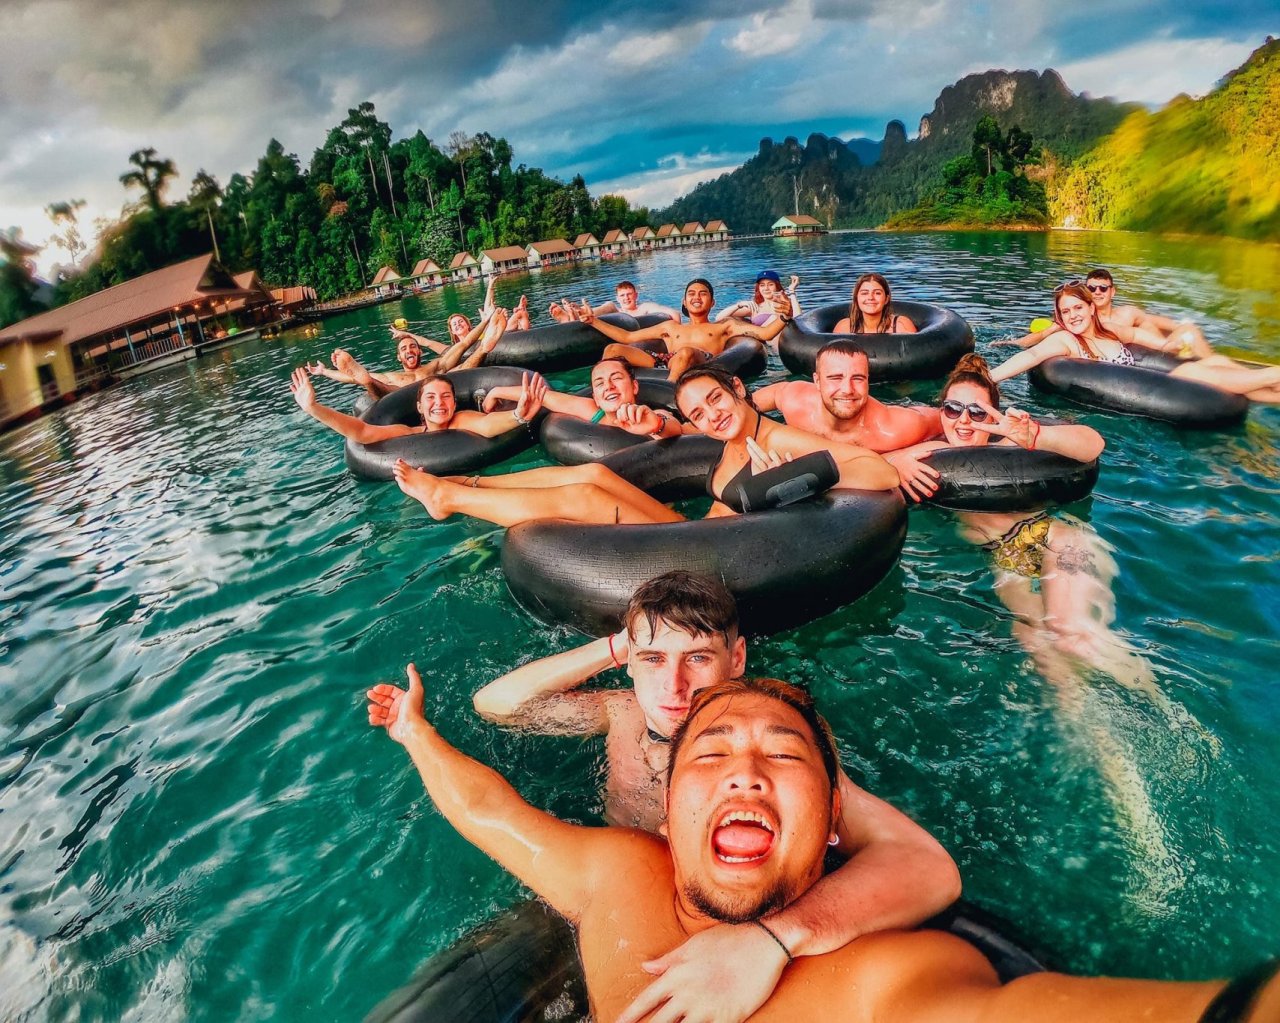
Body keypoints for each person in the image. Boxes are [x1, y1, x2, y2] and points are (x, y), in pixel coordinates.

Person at [366, 672, 1266, 1022]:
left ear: (835, 819)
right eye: (710, 754)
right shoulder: (616, 871)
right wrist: (414, 734)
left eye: (781, 757)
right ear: (669, 807)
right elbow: (497, 814)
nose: (745, 774)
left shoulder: (877, 979)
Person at [463, 571, 962, 1022]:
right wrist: (618, 648)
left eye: (697, 658)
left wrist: (774, 938)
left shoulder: (774, 741)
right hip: (621, 906)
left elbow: (926, 866)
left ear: (737, 658)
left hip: (750, 908)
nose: (674, 686)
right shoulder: (621, 712)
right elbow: (497, 707)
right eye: (654, 659)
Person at [390, 364, 899, 527]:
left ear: (738, 390)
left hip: (711, 555)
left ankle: (449, 500)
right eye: (699, 412)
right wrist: (660, 425)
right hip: (694, 533)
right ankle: (466, 482)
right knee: (593, 476)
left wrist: (788, 477)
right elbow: (670, 431)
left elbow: (879, 473)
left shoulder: (773, 436)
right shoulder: (724, 437)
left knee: (589, 498)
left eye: (716, 400)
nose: (712, 415)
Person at [991, 283, 1280, 402]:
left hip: (1155, 378)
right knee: (1193, 373)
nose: (1072, 315)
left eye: (1078, 308)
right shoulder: (1066, 340)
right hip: (1162, 386)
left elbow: (1151, 342)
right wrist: (990, 377)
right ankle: (1272, 374)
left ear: (1091, 308)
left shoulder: (1112, 332)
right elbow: (1031, 356)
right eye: (1065, 312)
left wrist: (1177, 342)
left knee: (1214, 362)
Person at [753, 339, 941, 486]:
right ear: (817, 381)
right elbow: (750, 404)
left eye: (858, 378)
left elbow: (947, 419)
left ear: (868, 381)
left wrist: (893, 459)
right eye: (835, 378)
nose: (847, 390)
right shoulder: (795, 402)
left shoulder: (893, 429)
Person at [580, 278, 793, 382]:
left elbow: (765, 334)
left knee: (686, 353)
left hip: (702, 360)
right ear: (684, 301)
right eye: (691, 293)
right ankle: (600, 390)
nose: (696, 297)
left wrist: (785, 316)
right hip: (666, 361)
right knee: (613, 350)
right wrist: (593, 321)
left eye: (703, 294)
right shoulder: (670, 328)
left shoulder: (724, 326)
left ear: (712, 302)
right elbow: (627, 336)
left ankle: (668, 396)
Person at [289, 362, 543, 446]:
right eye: (430, 398)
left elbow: (487, 425)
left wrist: (518, 415)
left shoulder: (462, 419)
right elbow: (363, 432)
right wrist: (314, 408)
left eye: (445, 397)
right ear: (420, 407)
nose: (439, 403)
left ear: (454, 404)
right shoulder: (408, 433)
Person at [999, 269, 1213, 357]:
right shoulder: (1080, 321)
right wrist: (1015, 343)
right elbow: (1043, 334)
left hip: (1156, 354)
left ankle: (1200, 361)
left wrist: (1183, 332)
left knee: (1179, 328)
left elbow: (1163, 323)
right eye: (1091, 288)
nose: (1097, 292)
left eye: (1103, 288)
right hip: (1120, 364)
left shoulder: (1128, 314)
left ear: (1113, 291)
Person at [307, 310, 503, 399]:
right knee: (372, 382)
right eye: (404, 349)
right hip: (403, 399)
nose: (409, 350)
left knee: (458, 370)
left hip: (438, 390)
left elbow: (465, 343)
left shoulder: (434, 365)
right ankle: (366, 380)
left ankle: (486, 346)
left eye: (412, 347)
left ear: (419, 351)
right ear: (399, 358)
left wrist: (485, 322)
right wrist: (325, 372)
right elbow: (350, 378)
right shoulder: (390, 376)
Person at [479, 358, 685, 439]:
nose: (609, 387)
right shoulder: (593, 411)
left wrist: (656, 425)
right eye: (600, 383)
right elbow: (545, 397)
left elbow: (672, 426)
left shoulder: (647, 414)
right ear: (595, 395)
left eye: (616, 378)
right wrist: (495, 391)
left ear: (634, 386)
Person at [832, 273, 917, 334]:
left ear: (886, 299)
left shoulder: (901, 326)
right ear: (856, 298)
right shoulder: (844, 328)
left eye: (877, 293)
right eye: (864, 293)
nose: (870, 298)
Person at [561, 280, 680, 323]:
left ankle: (576, 314)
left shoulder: (644, 308)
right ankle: (577, 313)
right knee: (609, 305)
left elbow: (672, 312)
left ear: (636, 295)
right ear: (618, 298)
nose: (626, 298)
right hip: (614, 318)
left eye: (629, 294)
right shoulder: (614, 308)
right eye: (622, 295)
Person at [715, 270, 801, 325]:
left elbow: (799, 319)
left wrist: (792, 290)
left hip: (785, 343)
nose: (766, 288)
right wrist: (738, 305)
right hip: (766, 345)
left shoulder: (786, 303)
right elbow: (719, 318)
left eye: (770, 284)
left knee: (775, 318)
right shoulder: (755, 307)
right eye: (762, 285)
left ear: (777, 286)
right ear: (758, 288)